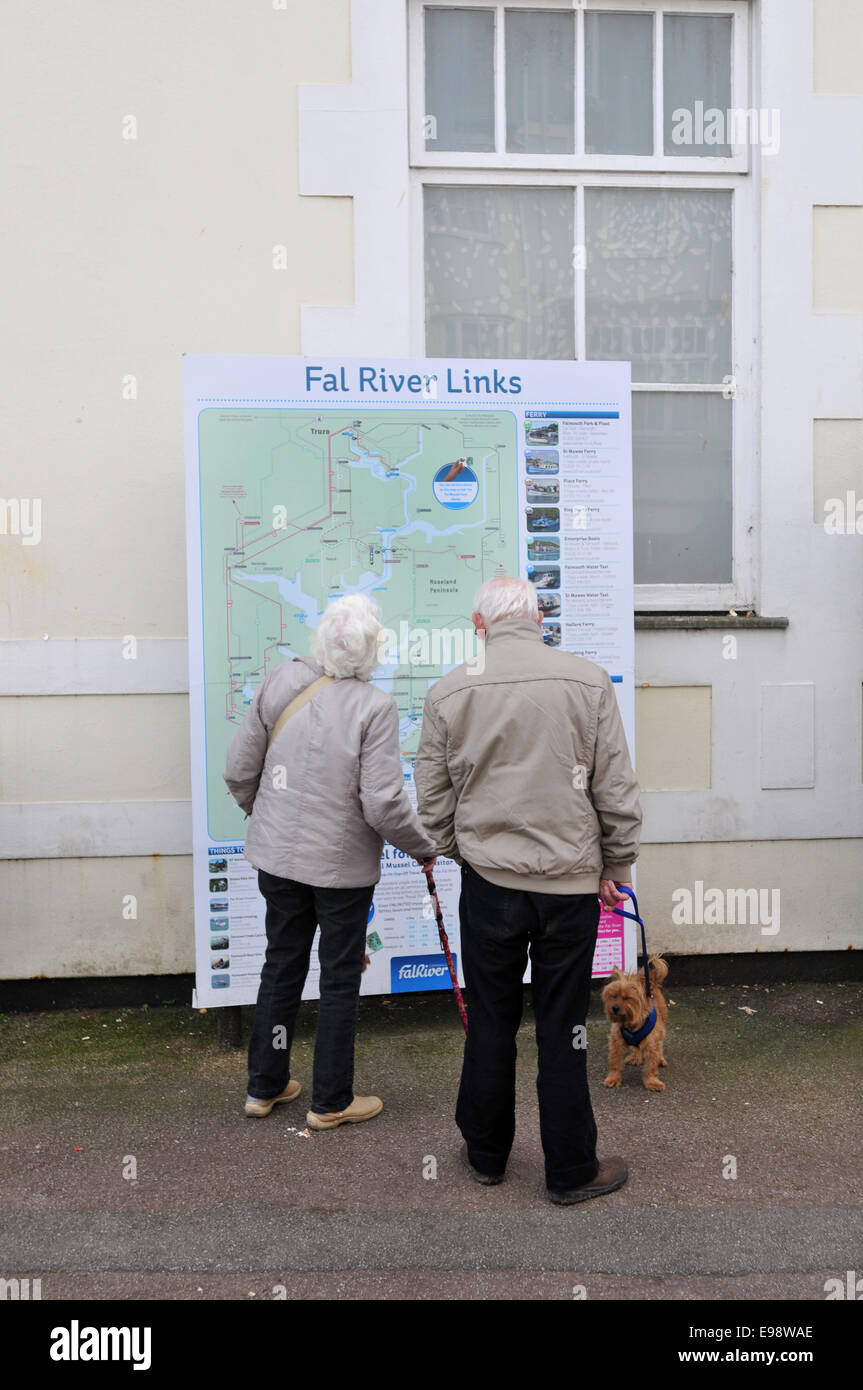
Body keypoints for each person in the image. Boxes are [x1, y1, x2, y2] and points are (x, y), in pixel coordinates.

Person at [414, 576, 642, 1204]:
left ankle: (486, 1154)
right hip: (571, 888)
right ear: (539, 618)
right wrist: (615, 867)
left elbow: (432, 802)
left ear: (478, 623)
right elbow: (614, 787)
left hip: (489, 885)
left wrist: (465, 853)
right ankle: (569, 1170)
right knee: (563, 1026)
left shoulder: (448, 691)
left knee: (490, 1019)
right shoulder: (588, 681)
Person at [224, 593, 436, 1130]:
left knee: (281, 964)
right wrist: (424, 848)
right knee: (339, 979)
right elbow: (384, 803)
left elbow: (237, 769)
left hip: (277, 862)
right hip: (341, 873)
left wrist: (265, 816)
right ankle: (330, 1101)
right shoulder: (374, 707)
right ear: (372, 652)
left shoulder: (279, 682)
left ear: (322, 638)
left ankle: (264, 1087)